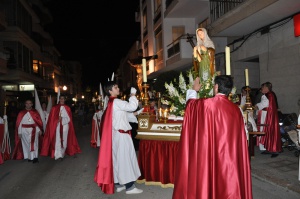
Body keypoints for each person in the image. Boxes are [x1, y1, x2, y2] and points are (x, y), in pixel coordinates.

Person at [172, 75, 253, 199]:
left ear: (216, 87)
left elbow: (190, 106)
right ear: (229, 90)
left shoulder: (206, 104)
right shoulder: (236, 110)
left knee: (208, 176)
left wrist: (194, 90)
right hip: (229, 158)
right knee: (227, 181)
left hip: (209, 154)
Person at [94, 81, 143, 195]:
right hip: (121, 136)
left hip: (117, 135)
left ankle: (119, 183)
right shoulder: (116, 101)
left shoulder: (112, 103)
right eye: (115, 87)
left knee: (118, 159)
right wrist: (133, 95)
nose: (118, 88)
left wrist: (137, 113)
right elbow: (131, 106)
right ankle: (129, 187)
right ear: (110, 91)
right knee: (125, 160)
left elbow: (123, 115)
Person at [40, 95, 81, 160]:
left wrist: (62, 118)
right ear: (59, 99)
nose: (62, 100)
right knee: (57, 140)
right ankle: (58, 154)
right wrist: (56, 120)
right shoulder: (54, 108)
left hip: (65, 126)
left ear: (64, 100)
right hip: (57, 127)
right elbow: (51, 119)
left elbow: (69, 119)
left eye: (63, 99)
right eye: (60, 98)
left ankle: (63, 152)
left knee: (64, 140)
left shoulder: (67, 108)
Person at [254, 82, 282, 157]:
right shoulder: (270, 94)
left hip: (267, 116)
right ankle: (269, 148)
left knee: (267, 130)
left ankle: (273, 149)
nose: (261, 89)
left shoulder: (268, 95)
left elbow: (264, 104)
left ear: (266, 88)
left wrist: (256, 106)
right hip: (268, 115)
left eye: (263, 88)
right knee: (267, 131)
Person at [11, 99, 44, 163]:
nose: (28, 104)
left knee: (34, 144)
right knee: (26, 144)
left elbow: (37, 122)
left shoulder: (35, 112)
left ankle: (35, 157)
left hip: (33, 129)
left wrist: (39, 130)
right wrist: (19, 132)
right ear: (25, 104)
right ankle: (29, 156)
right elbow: (19, 123)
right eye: (27, 103)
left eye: (30, 103)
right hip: (24, 130)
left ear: (32, 104)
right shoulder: (21, 113)